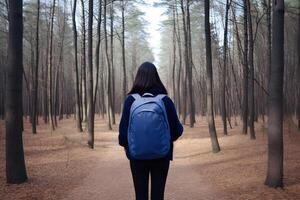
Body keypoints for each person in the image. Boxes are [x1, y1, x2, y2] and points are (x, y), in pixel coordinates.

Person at [119, 61, 183, 200]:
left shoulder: (130, 100)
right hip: (162, 155)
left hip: (136, 156)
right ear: (156, 77)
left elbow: (123, 135)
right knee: (158, 195)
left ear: (138, 78)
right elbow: (177, 130)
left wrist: (129, 147)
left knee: (140, 195)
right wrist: (163, 140)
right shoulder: (165, 100)